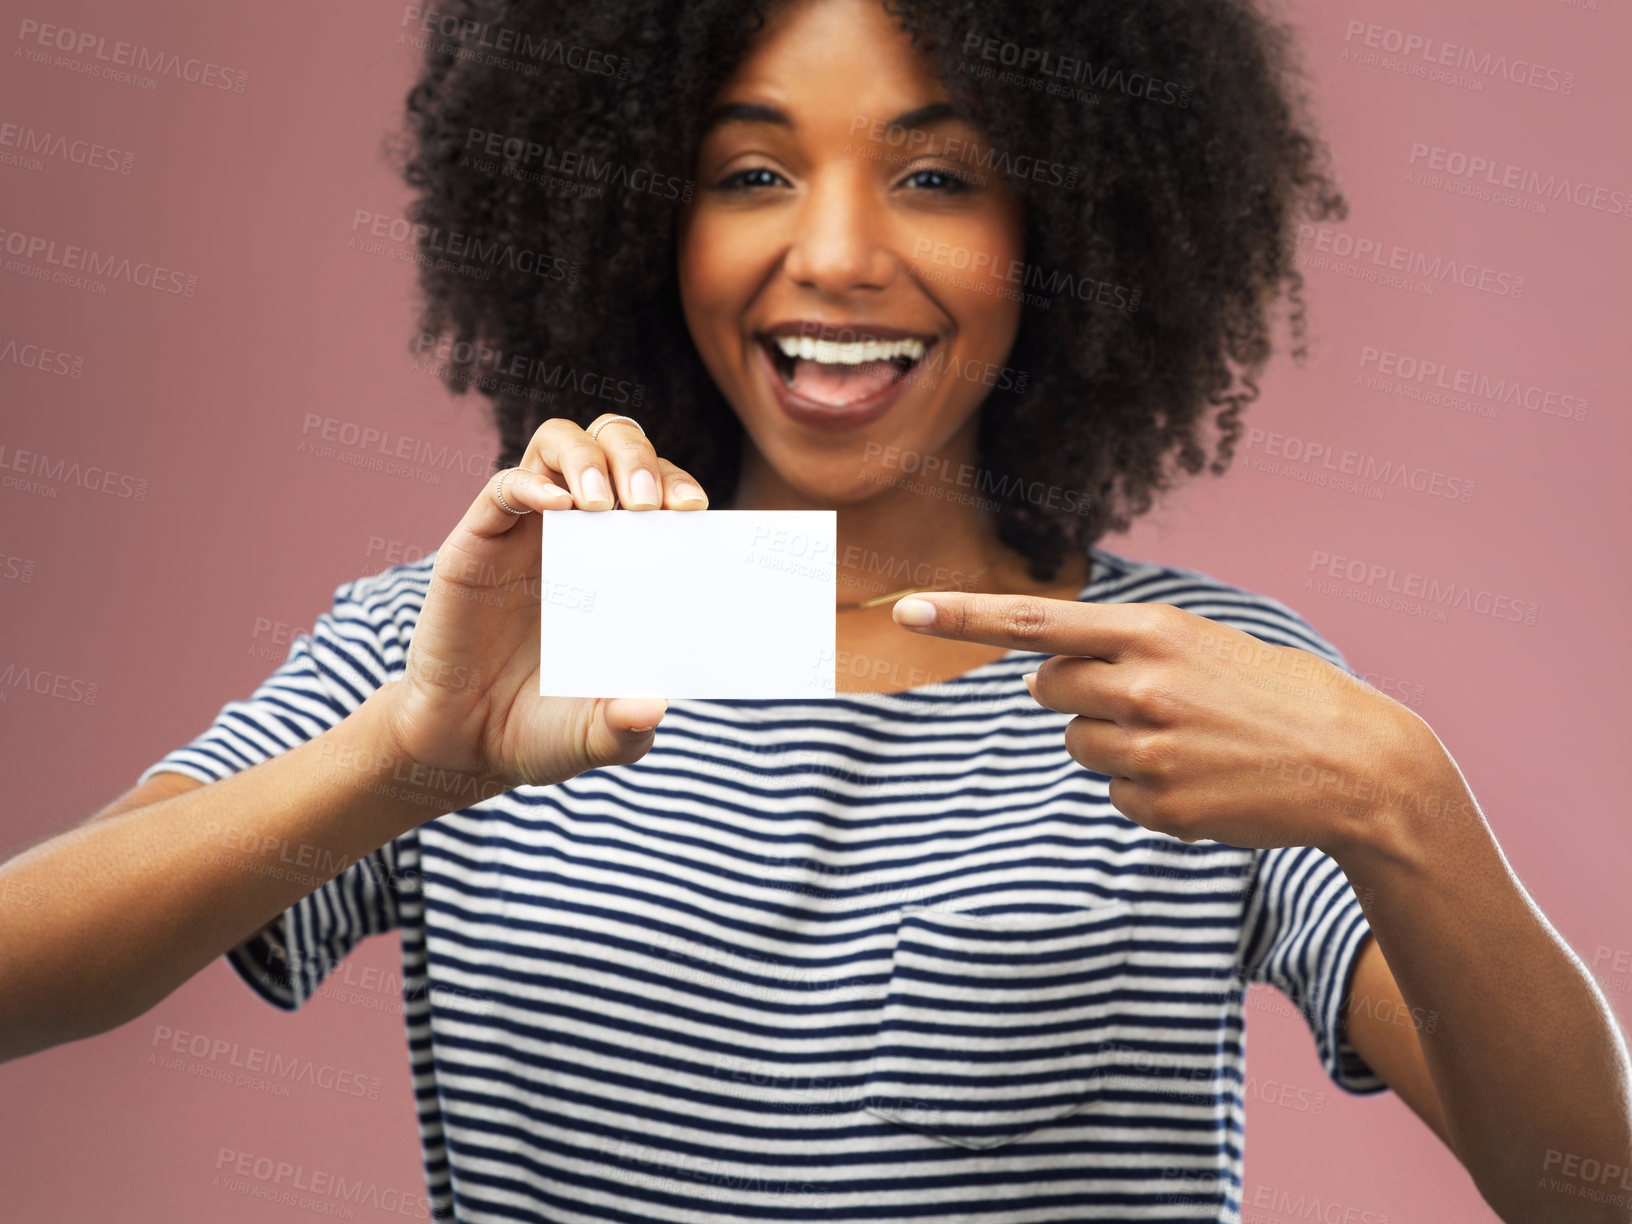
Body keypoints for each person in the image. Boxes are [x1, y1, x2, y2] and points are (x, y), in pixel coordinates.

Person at [3, 0, 1628, 1221]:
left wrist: (1410, 807)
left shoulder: (1196, 688)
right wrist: (406, 761)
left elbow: (1585, 1189)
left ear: (1064, 224)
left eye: (934, 174)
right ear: (646, 215)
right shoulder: (498, 635)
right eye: (752, 170)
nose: (837, 253)